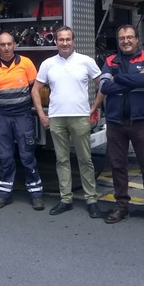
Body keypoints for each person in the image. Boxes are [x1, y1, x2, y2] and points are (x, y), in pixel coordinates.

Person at [91, 25, 144, 228]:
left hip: (142, 121)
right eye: (122, 38)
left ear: (137, 39)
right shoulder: (109, 60)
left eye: (129, 37)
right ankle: (121, 206)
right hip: (116, 123)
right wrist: (133, 81)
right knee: (117, 166)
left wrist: (118, 78)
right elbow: (105, 86)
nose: (126, 41)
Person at [31, 26, 102, 218]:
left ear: (73, 41)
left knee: (85, 160)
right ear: (56, 42)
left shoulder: (85, 61)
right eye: (61, 39)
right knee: (61, 160)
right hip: (56, 118)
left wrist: (94, 107)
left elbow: (102, 84)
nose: (64, 43)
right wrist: (41, 114)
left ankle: (91, 199)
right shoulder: (48, 64)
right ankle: (66, 199)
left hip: (79, 116)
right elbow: (35, 90)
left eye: (68, 39)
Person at [0, 32, 44, 210]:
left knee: (27, 155)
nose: (6, 48)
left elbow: (35, 90)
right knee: (5, 156)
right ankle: (4, 194)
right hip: (2, 116)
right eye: (2, 44)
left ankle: (36, 194)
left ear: (15, 45)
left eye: (9, 44)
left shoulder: (26, 63)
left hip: (23, 116)